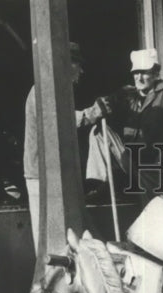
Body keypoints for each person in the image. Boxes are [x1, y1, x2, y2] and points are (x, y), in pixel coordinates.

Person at [23, 42, 103, 253]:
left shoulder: (53, 89)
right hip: (43, 176)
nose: (82, 70)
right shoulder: (44, 90)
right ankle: (49, 283)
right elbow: (61, 121)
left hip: (52, 175)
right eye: (78, 64)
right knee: (49, 243)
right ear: (65, 65)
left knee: (65, 240)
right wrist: (94, 112)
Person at [85, 48, 163, 202]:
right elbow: (102, 106)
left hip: (153, 160)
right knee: (99, 131)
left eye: (144, 72)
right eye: (136, 72)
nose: (139, 77)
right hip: (129, 157)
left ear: (155, 74)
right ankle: (101, 182)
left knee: (160, 204)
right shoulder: (128, 93)